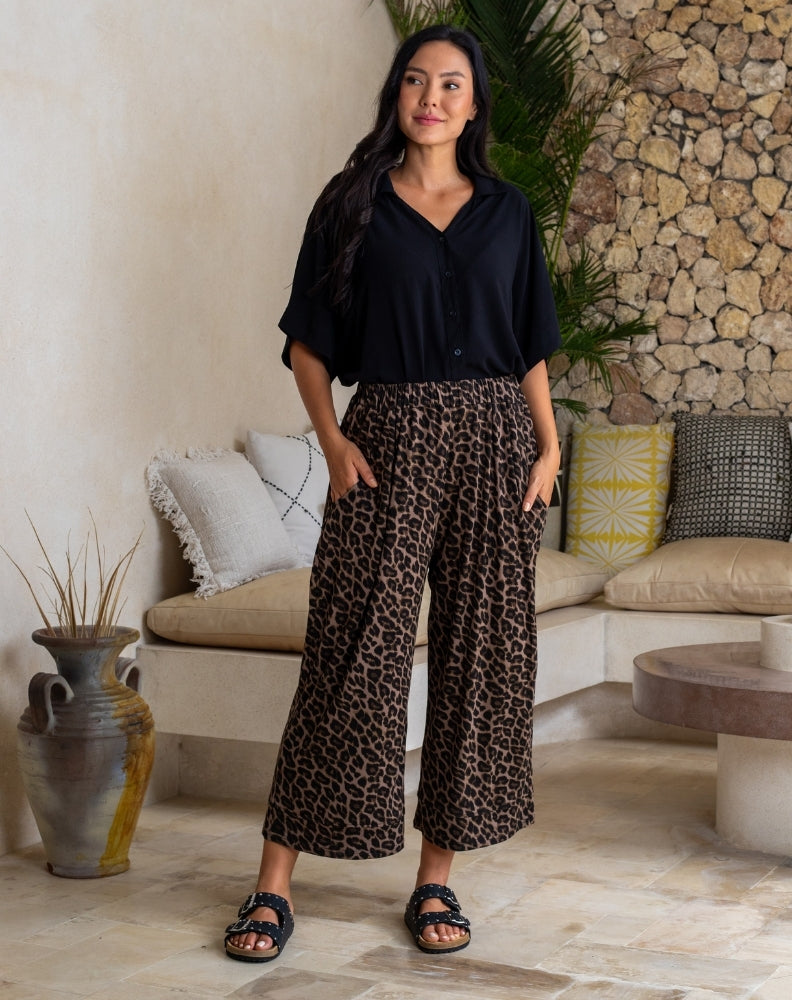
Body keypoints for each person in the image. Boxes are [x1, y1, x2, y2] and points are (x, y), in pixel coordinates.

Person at [224, 22, 561, 962]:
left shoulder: (508, 211)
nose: (432, 97)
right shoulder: (352, 204)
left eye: (452, 84)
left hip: (500, 442)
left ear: (475, 103)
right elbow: (307, 342)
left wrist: (548, 443)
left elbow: (531, 341)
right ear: (396, 96)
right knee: (352, 650)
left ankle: (435, 881)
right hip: (390, 436)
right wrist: (331, 441)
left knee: (478, 659)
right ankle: (272, 886)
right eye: (416, 81)